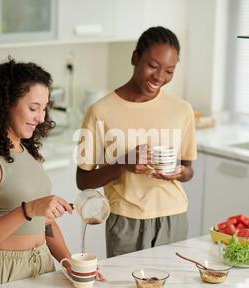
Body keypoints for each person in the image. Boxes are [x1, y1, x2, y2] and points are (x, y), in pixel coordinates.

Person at [76, 26, 197, 258]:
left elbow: (189, 170)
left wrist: (180, 172)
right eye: (153, 66)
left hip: (174, 216)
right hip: (126, 220)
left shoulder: (182, 110)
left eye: (169, 71)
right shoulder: (99, 111)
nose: (160, 77)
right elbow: (83, 181)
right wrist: (122, 163)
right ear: (135, 58)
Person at [0, 59, 75, 285]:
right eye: (33, 108)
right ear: (6, 104)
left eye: (44, 108)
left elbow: (45, 222)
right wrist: (29, 209)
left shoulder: (28, 152)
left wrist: (69, 263)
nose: (41, 118)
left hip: (40, 266)